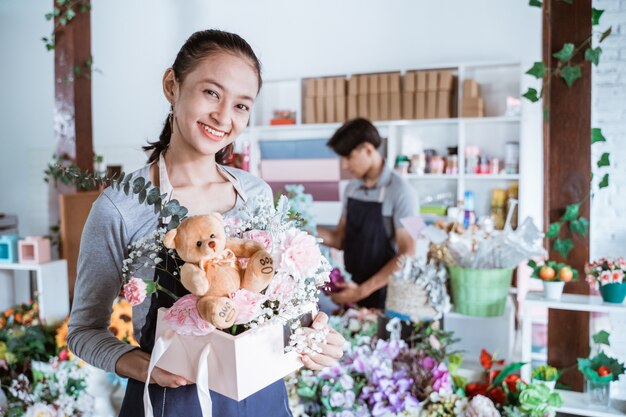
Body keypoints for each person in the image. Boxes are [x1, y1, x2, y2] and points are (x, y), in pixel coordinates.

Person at [67, 29, 344, 417]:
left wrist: (311, 336)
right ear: (172, 85)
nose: (223, 116)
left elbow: (276, 307)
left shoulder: (256, 194)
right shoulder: (121, 207)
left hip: (261, 401)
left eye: (242, 105)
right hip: (170, 400)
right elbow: (82, 333)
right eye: (211, 93)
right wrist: (142, 366)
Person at [317, 118, 419, 309]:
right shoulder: (351, 189)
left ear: (368, 150)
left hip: (384, 296)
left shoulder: (404, 192)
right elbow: (340, 239)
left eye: (348, 157)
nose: (345, 166)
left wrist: (362, 290)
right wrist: (302, 227)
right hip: (350, 289)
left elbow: (410, 252)